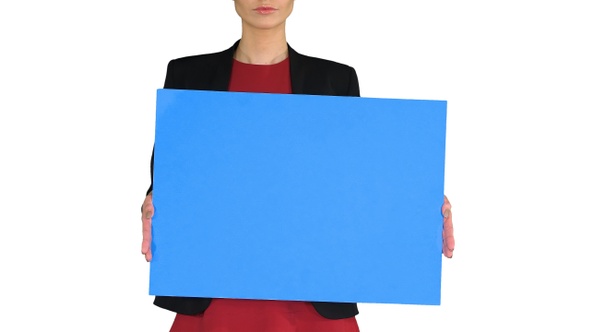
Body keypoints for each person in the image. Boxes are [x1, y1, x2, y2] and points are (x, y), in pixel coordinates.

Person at [141, 1, 455, 331]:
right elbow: (173, 170)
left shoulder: (336, 79)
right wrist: (154, 201)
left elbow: (355, 180)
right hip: (216, 288)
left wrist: (422, 203)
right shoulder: (188, 75)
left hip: (312, 293)